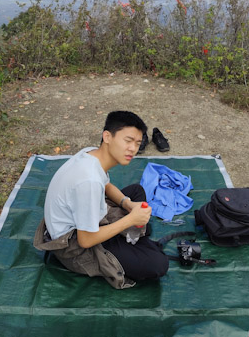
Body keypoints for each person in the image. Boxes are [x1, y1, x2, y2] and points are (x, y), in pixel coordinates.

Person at [33, 111, 169, 289]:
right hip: (73, 245)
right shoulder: (89, 181)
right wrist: (130, 219)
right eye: (127, 141)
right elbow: (86, 241)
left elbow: (106, 186)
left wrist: (128, 204)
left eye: (137, 143)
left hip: (83, 221)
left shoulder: (90, 153)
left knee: (136, 192)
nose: (133, 149)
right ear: (107, 136)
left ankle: (133, 239)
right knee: (159, 264)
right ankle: (133, 240)